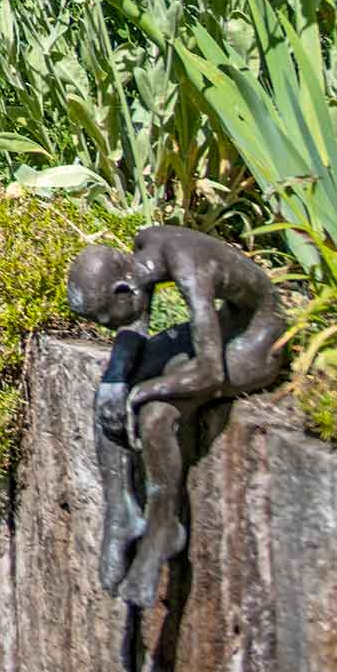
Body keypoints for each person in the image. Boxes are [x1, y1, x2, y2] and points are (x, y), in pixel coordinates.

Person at [65, 228, 287, 608]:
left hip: (259, 340)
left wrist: (144, 392)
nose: (107, 327)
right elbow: (137, 322)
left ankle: (164, 524)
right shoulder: (142, 256)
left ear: (122, 291)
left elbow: (210, 372)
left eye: (105, 318)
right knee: (110, 392)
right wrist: (116, 384)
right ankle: (121, 512)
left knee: (155, 414)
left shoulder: (189, 266)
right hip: (226, 326)